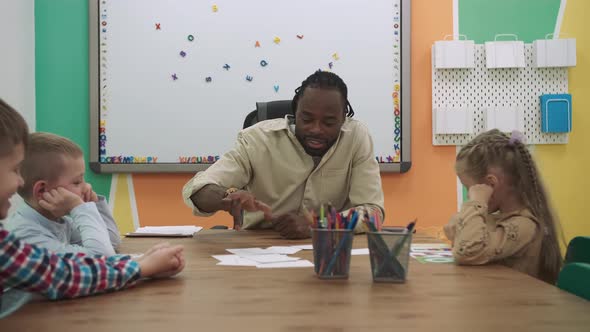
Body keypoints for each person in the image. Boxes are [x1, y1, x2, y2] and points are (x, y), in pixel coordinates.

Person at [0, 98, 185, 317]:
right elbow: (85, 265)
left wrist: (140, 262)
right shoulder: (23, 234)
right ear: (42, 191)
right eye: (14, 170)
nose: (21, 182)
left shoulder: (54, 222)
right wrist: (141, 268)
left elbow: (104, 247)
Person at [183, 71, 384, 239]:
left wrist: (317, 226)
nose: (316, 129)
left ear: (344, 120)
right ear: (295, 112)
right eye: (306, 119)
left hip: (329, 251)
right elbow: (200, 190)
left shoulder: (356, 137)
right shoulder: (256, 139)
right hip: (257, 251)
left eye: (329, 122)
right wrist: (225, 198)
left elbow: (373, 213)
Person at [444, 129, 563, 284]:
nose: (469, 196)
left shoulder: (524, 225)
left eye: (470, 189)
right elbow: (457, 233)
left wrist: (476, 203)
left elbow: (466, 251)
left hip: (515, 306)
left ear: (491, 184)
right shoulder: (498, 218)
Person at [5, 132, 120, 256]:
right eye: (77, 182)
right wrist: (80, 208)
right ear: (42, 191)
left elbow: (111, 241)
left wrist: (95, 203)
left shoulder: (59, 220)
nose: (87, 187)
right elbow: (102, 257)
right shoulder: (26, 235)